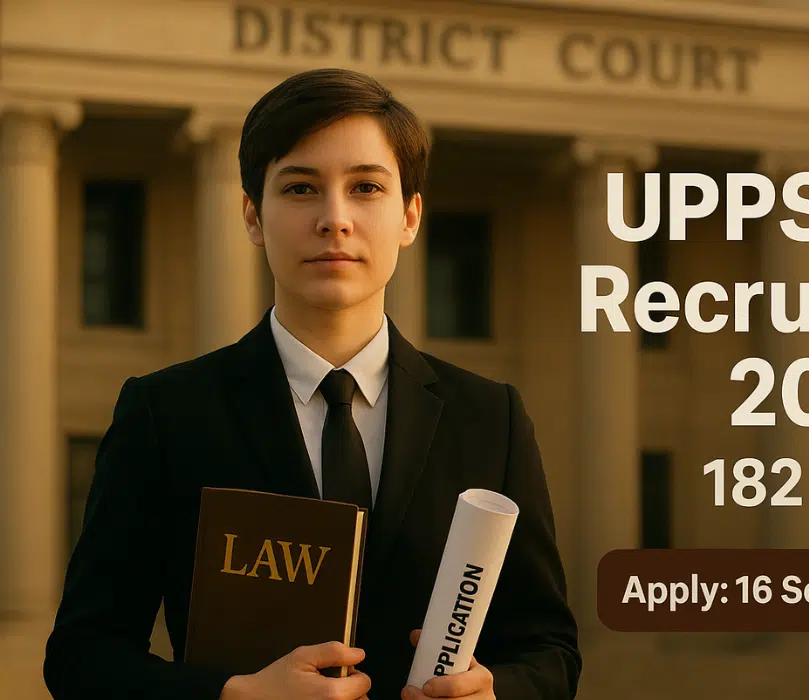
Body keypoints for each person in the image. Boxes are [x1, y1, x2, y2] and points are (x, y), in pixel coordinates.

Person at [43, 68, 582, 700]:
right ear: (252, 214)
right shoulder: (166, 413)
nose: (335, 219)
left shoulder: (491, 418)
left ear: (410, 216)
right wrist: (232, 696)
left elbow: (549, 650)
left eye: (365, 188)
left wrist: (499, 693)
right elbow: (82, 655)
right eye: (300, 188)